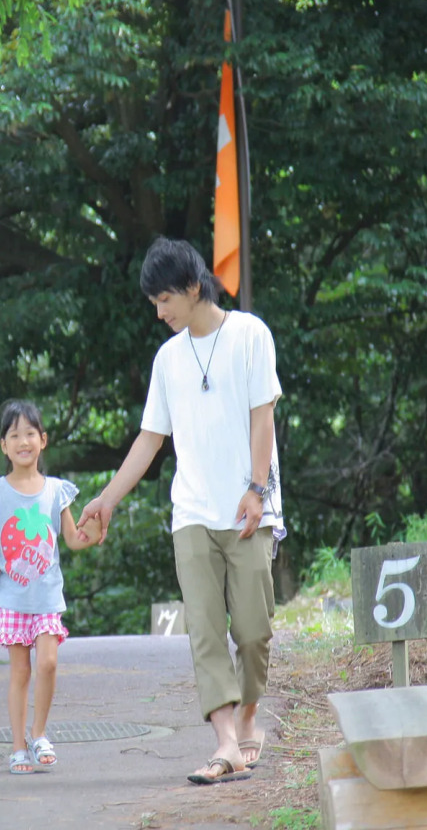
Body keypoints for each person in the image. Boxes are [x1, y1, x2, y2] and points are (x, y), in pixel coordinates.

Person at [78, 238, 284, 786]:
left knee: (254, 631)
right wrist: (107, 498)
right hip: (191, 512)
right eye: (154, 302)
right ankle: (225, 743)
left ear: (194, 287)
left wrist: (256, 488)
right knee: (205, 631)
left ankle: (248, 718)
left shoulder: (249, 335)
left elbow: (262, 417)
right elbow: (150, 439)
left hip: (248, 508)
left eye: (164, 299)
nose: (159, 312)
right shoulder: (168, 359)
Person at [0, 399, 96, 774]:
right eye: (14, 435)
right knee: (20, 672)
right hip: (13, 597)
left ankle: (39, 733)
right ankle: (18, 746)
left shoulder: (56, 490)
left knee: (48, 663)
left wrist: (94, 533)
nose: (23, 441)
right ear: (3, 445)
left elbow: (72, 538)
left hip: (48, 596)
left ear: (43, 440)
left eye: (30, 433)